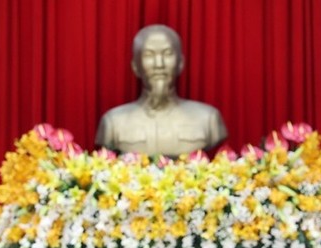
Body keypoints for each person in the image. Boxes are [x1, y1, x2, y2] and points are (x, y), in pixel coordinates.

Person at [95, 24, 227, 157]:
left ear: (180, 63)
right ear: (135, 66)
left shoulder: (208, 119)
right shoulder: (113, 122)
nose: (159, 64)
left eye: (168, 54)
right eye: (149, 55)